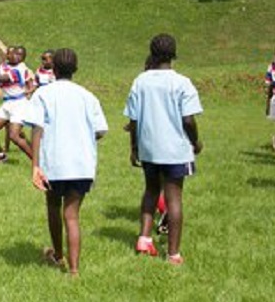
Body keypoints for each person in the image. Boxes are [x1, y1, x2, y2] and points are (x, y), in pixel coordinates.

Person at [23, 48, 108, 276]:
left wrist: (35, 167)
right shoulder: (88, 96)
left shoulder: (43, 94)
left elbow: (36, 129)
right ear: (75, 70)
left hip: (54, 164)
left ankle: (58, 255)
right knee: (72, 215)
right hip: (81, 166)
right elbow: (100, 131)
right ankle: (74, 270)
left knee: (53, 206)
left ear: (54, 69)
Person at [125, 34, 203, 265]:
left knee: (150, 191)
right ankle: (173, 254)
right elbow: (188, 120)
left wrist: (134, 148)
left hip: (148, 147)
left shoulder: (140, 81)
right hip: (174, 150)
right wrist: (196, 142)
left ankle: (144, 238)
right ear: (174, 54)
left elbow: (134, 120)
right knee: (173, 199)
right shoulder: (181, 82)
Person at [0, 46, 36, 164]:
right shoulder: (5, 66)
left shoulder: (20, 69)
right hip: (7, 103)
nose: (15, 56)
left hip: (19, 104)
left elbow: (0, 77)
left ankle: (37, 162)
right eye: (12, 54)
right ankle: (1, 154)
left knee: (14, 136)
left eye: (18, 55)